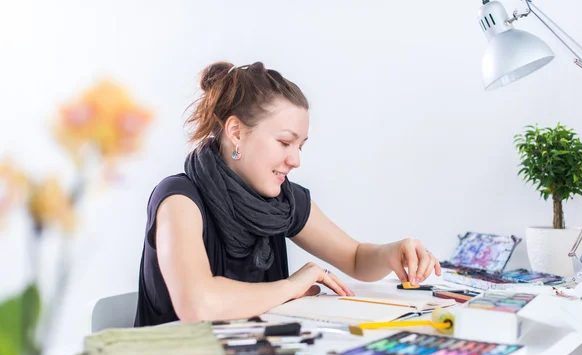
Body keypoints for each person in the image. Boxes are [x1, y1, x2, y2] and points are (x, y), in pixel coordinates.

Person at [134, 61, 441, 327]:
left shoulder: (283, 201)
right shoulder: (179, 200)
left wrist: (393, 253)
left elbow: (357, 258)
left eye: (300, 146)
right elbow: (198, 305)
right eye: (284, 142)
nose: (296, 160)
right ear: (236, 131)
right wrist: (292, 286)